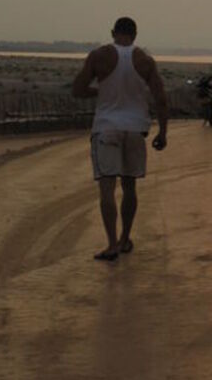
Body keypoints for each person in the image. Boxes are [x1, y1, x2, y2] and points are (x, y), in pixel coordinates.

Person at [72, 16, 168, 261]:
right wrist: (163, 132)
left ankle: (112, 243)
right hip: (135, 129)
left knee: (107, 188)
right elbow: (160, 98)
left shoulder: (99, 56)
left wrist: (101, 91)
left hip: (107, 128)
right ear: (135, 35)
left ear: (113, 32)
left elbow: (78, 90)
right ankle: (125, 238)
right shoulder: (145, 60)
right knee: (129, 187)